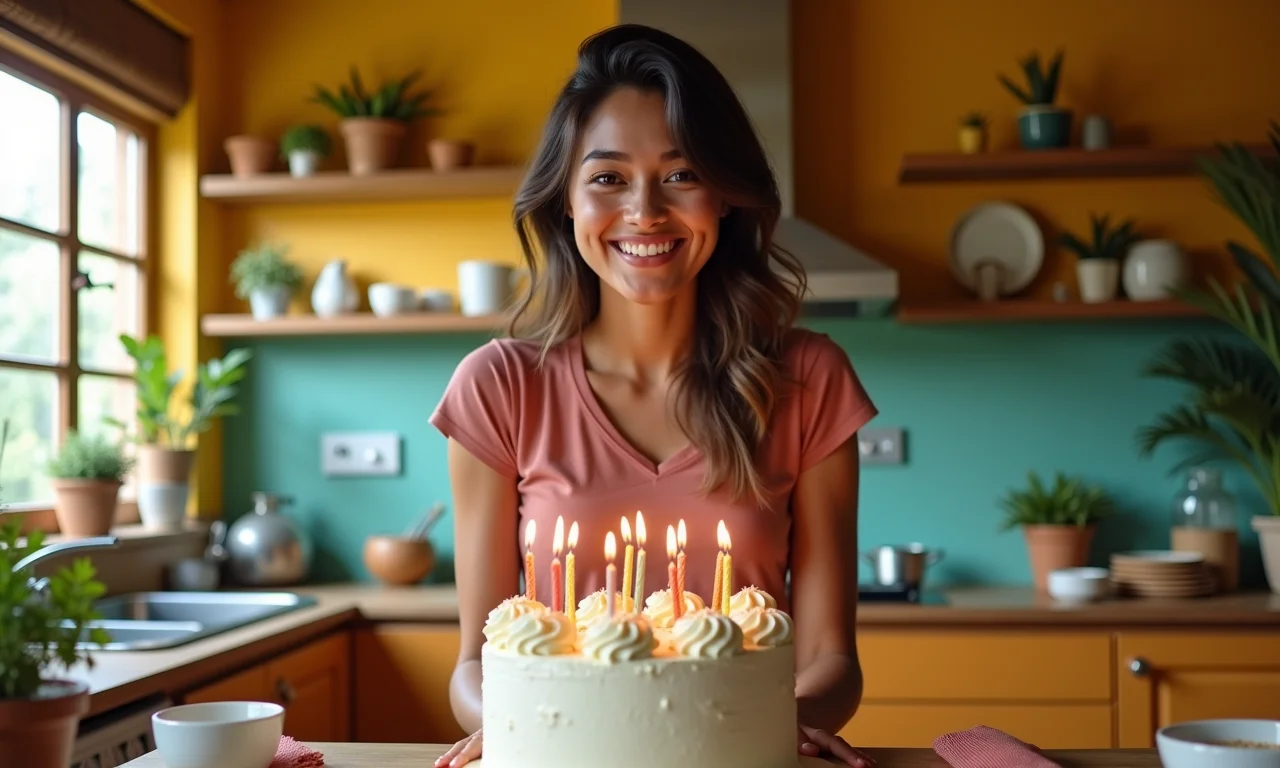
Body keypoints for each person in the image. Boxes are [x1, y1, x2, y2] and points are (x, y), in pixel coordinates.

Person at [430, 22, 878, 768]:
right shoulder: (498, 388)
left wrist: (732, 724)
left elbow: (832, 659)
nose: (645, 212)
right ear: (565, 202)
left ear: (726, 198)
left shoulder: (810, 380)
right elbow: (476, 664)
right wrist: (520, 719)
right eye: (607, 178)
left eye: (681, 174)